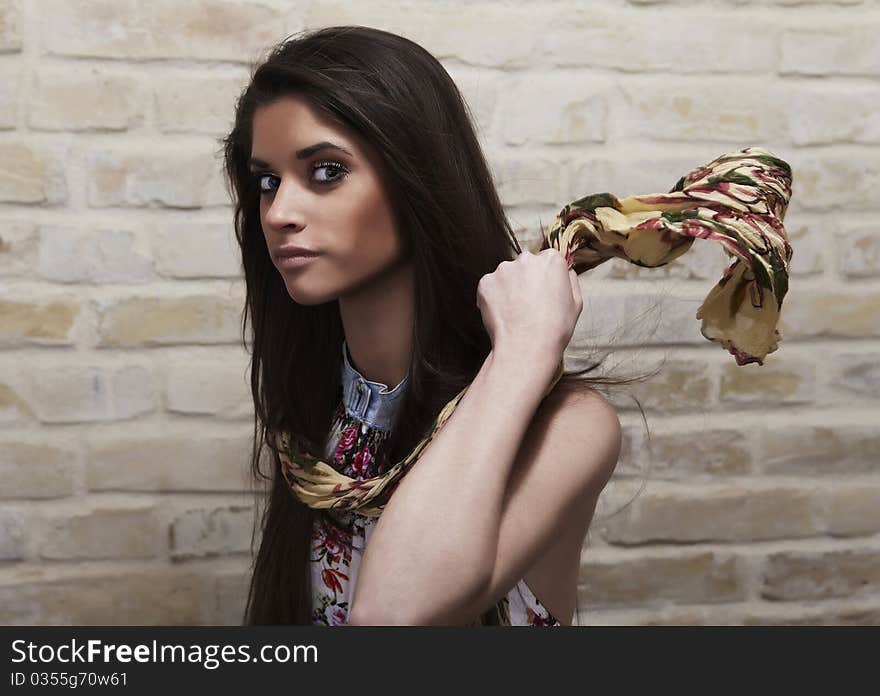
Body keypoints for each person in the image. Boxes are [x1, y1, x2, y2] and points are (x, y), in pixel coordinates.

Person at [221, 25, 628, 626]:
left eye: (327, 172)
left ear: (418, 177)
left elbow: (392, 616)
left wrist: (524, 350)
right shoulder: (316, 433)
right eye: (267, 182)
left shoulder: (563, 426)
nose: (279, 213)